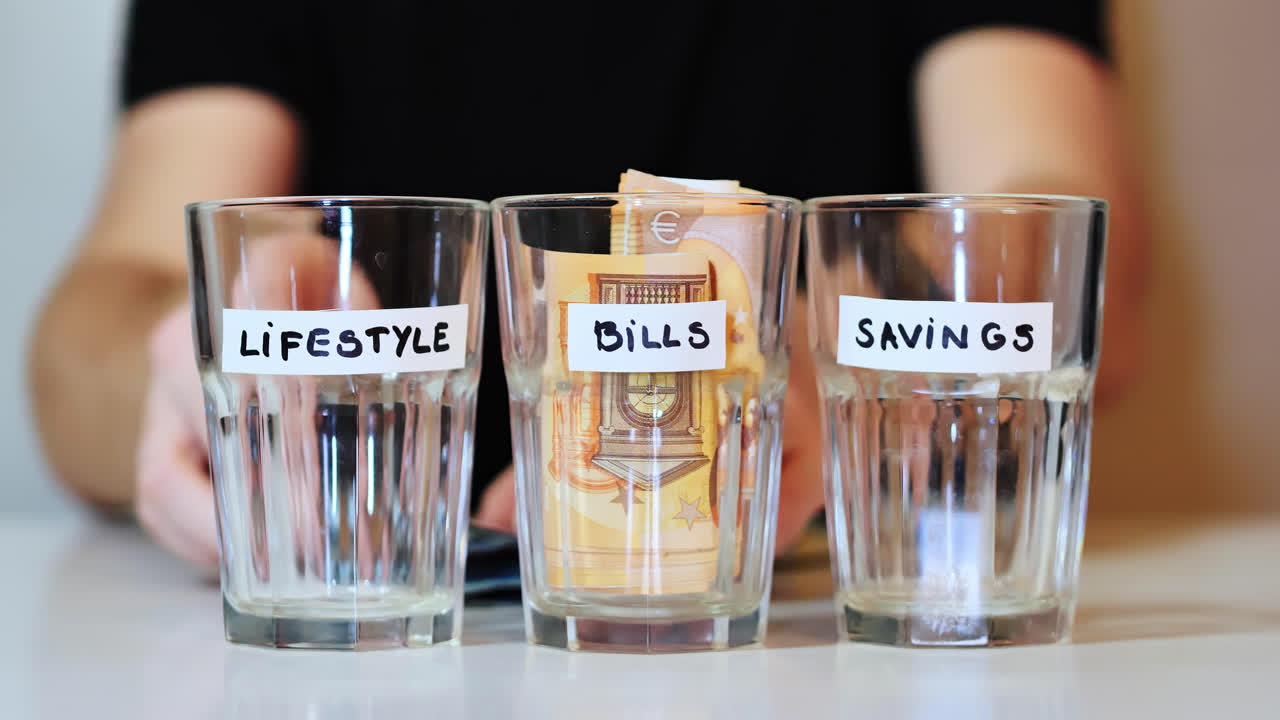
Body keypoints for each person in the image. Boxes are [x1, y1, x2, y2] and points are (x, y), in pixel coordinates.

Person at [28, 0, 1147, 569]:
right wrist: (198, 355)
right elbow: (102, 307)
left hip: (812, 609)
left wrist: (843, 330)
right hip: (375, 616)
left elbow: (1054, 225)